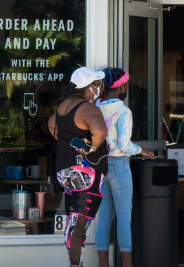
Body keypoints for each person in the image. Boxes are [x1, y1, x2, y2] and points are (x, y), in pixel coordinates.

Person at [48, 67, 109, 267]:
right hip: (84, 173)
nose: (99, 88)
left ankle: (75, 263)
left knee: (72, 225)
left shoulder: (63, 106)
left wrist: (70, 141)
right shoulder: (89, 108)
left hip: (64, 172)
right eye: (97, 84)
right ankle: (75, 265)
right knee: (79, 227)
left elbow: (51, 125)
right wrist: (90, 148)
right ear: (89, 87)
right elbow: (100, 132)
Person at [95, 68, 155, 267]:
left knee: (103, 218)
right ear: (122, 86)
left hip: (100, 165)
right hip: (119, 165)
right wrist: (142, 150)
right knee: (123, 218)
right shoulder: (123, 111)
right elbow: (124, 144)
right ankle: (127, 265)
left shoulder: (95, 107)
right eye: (127, 84)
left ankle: (103, 264)